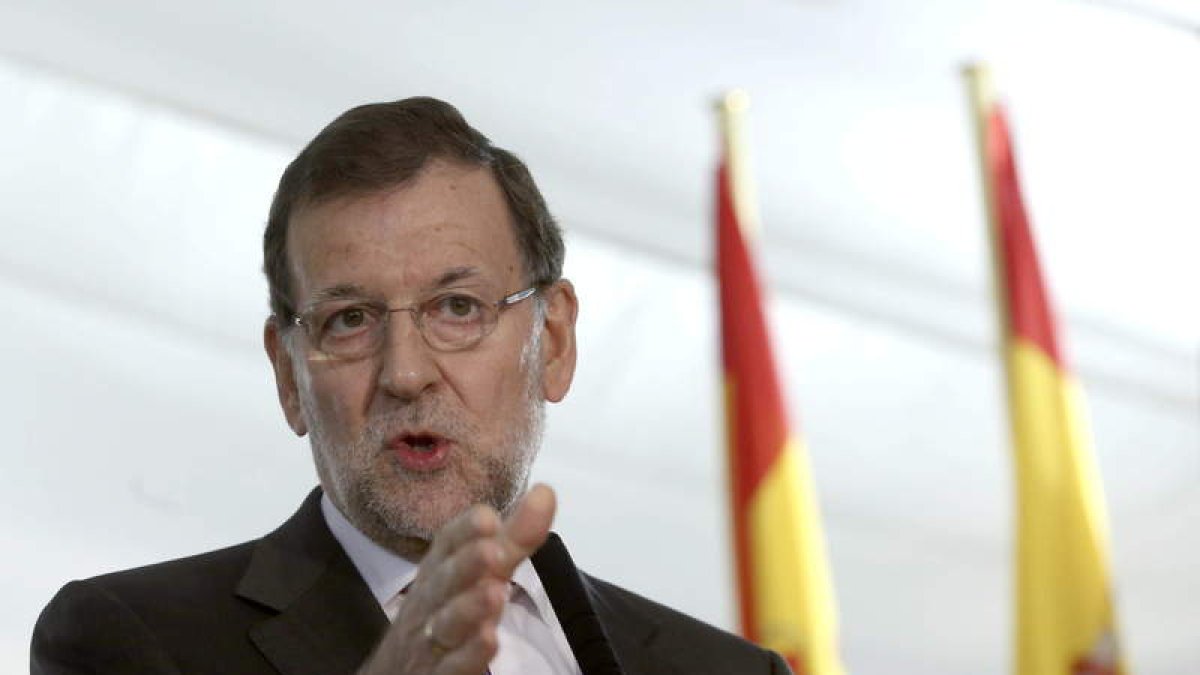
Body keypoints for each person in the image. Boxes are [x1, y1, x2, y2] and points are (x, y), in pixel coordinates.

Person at [31, 97, 792, 675]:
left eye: (457, 308)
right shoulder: (125, 639)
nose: (404, 372)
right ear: (289, 376)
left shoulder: (727, 669)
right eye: (350, 319)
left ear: (553, 342)